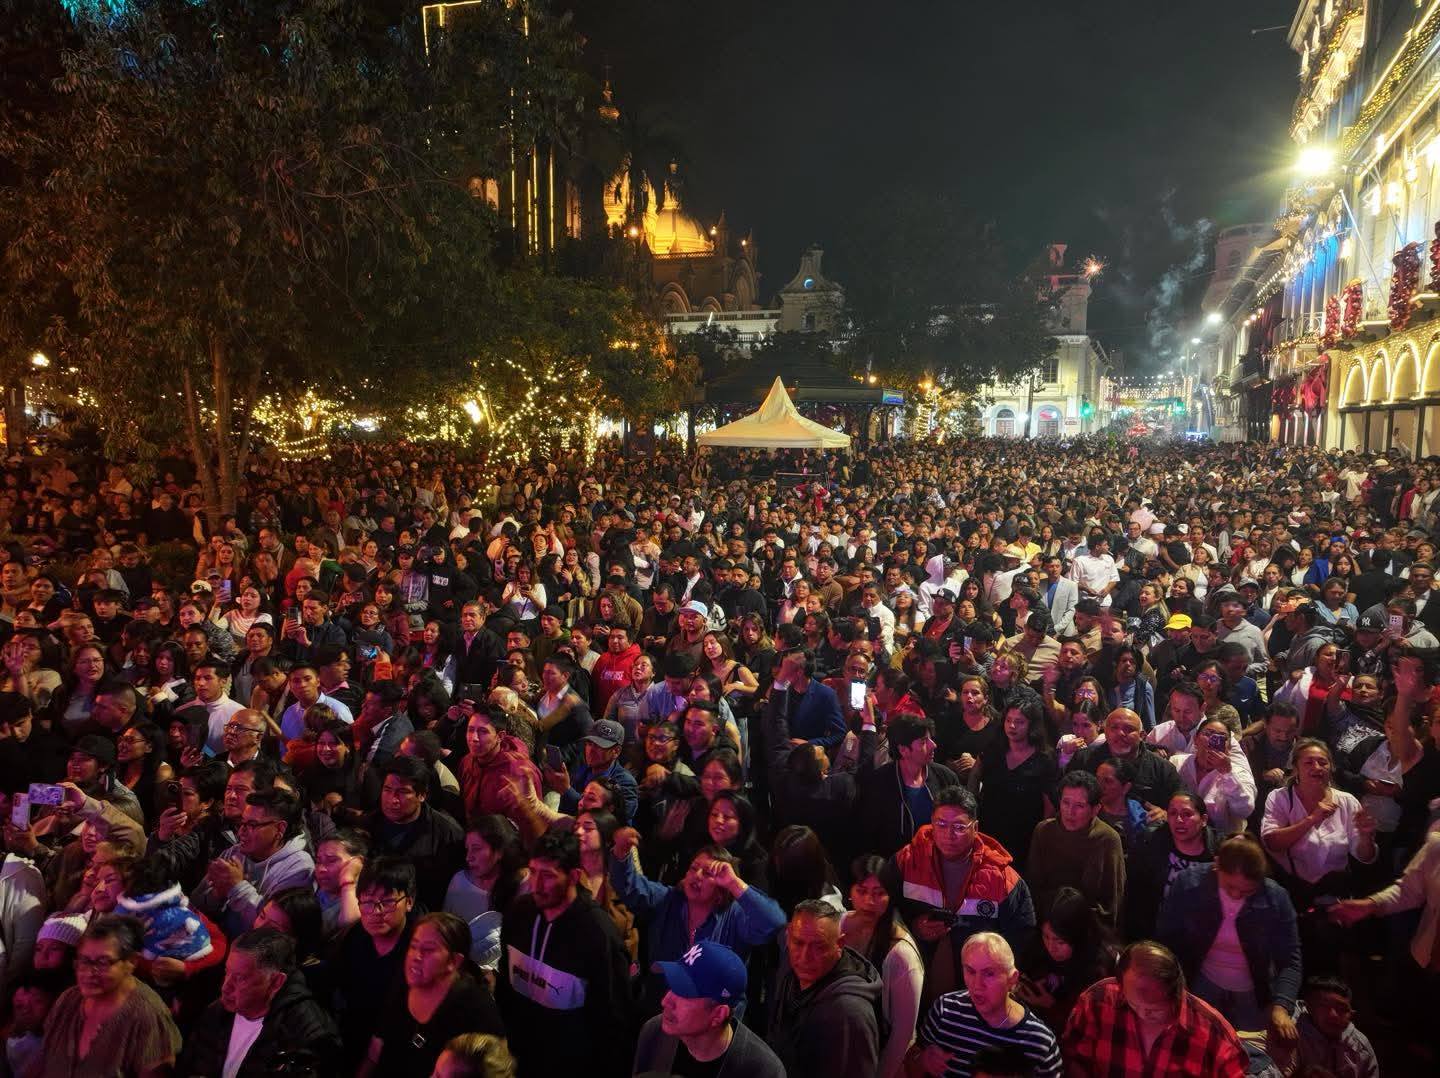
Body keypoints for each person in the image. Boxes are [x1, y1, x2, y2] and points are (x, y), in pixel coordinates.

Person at [497, 828, 633, 1078]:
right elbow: (506, 986)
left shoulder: (597, 933)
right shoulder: (519, 913)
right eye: (533, 872)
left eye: (547, 876)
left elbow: (613, 1021)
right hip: (518, 1061)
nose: (536, 885)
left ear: (573, 876)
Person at [609, 828, 786, 1013]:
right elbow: (630, 888)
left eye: (708, 873)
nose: (697, 875)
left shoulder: (735, 915)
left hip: (714, 1018)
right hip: (665, 1008)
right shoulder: (669, 899)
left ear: (721, 888)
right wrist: (621, 853)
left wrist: (734, 883)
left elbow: (773, 922)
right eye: (693, 868)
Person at [887, 786, 1036, 1002]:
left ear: (975, 828)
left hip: (978, 991)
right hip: (911, 978)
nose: (948, 834)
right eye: (941, 824)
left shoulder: (1002, 878)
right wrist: (913, 926)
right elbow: (882, 910)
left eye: (958, 826)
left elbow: (1021, 936)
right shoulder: (907, 861)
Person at [1155, 834, 1301, 1042]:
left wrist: (1281, 1006)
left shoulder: (1276, 897)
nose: (1236, 895)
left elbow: (1290, 958)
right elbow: (1167, 940)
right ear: (1216, 866)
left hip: (1253, 991)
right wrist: (1171, 988)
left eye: (1247, 891)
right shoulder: (1190, 883)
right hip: (1200, 982)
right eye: (1229, 887)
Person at [1061, 940, 1248, 1077]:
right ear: (1120, 984)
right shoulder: (1097, 1001)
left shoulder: (1214, 1034)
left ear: (1176, 992)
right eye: (1134, 1005)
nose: (1143, 1014)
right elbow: (1075, 1059)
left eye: (1154, 1010)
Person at [178, 927, 342, 1078]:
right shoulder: (217, 1012)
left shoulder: (306, 1036)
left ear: (276, 982)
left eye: (240, 978)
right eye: (227, 972)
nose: (225, 987)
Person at [38, 914, 182, 1078]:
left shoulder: (147, 1017)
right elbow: (43, 1061)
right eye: (84, 961)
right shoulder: (68, 1000)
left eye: (103, 962)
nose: (89, 973)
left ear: (131, 962)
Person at [362, 912, 504, 1077]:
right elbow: (375, 1050)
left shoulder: (477, 1011)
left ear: (454, 961)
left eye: (428, 950)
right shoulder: (405, 981)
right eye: (413, 946)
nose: (416, 956)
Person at [909, 931, 1062, 1077]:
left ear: (1012, 979)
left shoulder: (1040, 1041)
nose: (977, 985)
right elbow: (909, 1066)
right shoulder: (945, 1011)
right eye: (970, 971)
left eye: (989, 974)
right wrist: (922, 1060)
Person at [631, 939, 786, 1078]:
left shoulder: (765, 1071)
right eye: (671, 986)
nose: (665, 1001)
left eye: (684, 993)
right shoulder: (654, 1032)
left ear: (719, 1014)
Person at [766, 899, 883, 1078]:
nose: (805, 957)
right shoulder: (791, 972)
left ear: (840, 945)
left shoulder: (850, 1013)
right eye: (798, 943)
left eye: (818, 947)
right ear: (788, 936)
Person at [841, 856, 925, 1078]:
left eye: (879, 893)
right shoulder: (837, 926)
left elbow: (902, 1034)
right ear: (850, 892)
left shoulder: (901, 955)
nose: (869, 900)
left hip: (884, 1055)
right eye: (862, 891)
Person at [1025, 771, 1125, 929]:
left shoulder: (1107, 839)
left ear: (1095, 809)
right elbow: (1033, 886)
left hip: (1088, 926)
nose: (1070, 812)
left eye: (1079, 806)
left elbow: (1111, 902)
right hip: (1046, 922)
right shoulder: (1044, 830)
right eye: (1066, 803)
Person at [1289, 975, 1380, 1078]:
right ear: (1309, 1007)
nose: (1333, 1015)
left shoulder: (1360, 1045)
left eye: (1341, 1008)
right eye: (1324, 1006)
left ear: (1351, 1013)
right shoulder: (1289, 1033)